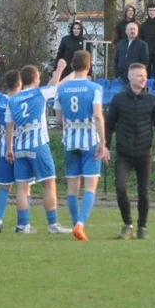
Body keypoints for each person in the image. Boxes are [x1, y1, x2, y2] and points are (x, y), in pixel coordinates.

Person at [4, 61, 71, 235]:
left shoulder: (12, 100)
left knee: (22, 187)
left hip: (19, 147)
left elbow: (9, 126)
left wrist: (9, 149)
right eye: (39, 77)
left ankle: (23, 225)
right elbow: (56, 85)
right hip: (38, 144)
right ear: (35, 79)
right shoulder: (39, 93)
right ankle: (53, 225)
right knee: (49, 184)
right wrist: (62, 69)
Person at [104, 63, 155, 240]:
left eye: (145, 75)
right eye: (139, 75)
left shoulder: (153, 100)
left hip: (144, 153)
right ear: (130, 78)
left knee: (144, 192)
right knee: (121, 188)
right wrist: (105, 147)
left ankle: (142, 227)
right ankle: (127, 224)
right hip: (123, 154)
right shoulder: (118, 99)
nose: (143, 78)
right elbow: (109, 126)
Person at [54, 51, 106, 241]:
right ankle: (80, 224)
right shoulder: (94, 88)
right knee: (90, 186)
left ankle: (75, 222)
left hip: (69, 140)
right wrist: (103, 141)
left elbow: (58, 119)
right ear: (89, 65)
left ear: (72, 66)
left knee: (72, 188)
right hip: (90, 140)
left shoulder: (61, 89)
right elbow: (98, 116)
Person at [0, 70, 21, 232]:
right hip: (19, 148)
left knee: (4, 187)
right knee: (23, 186)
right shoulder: (22, 100)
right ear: (19, 84)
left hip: (2, 150)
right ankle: (23, 223)